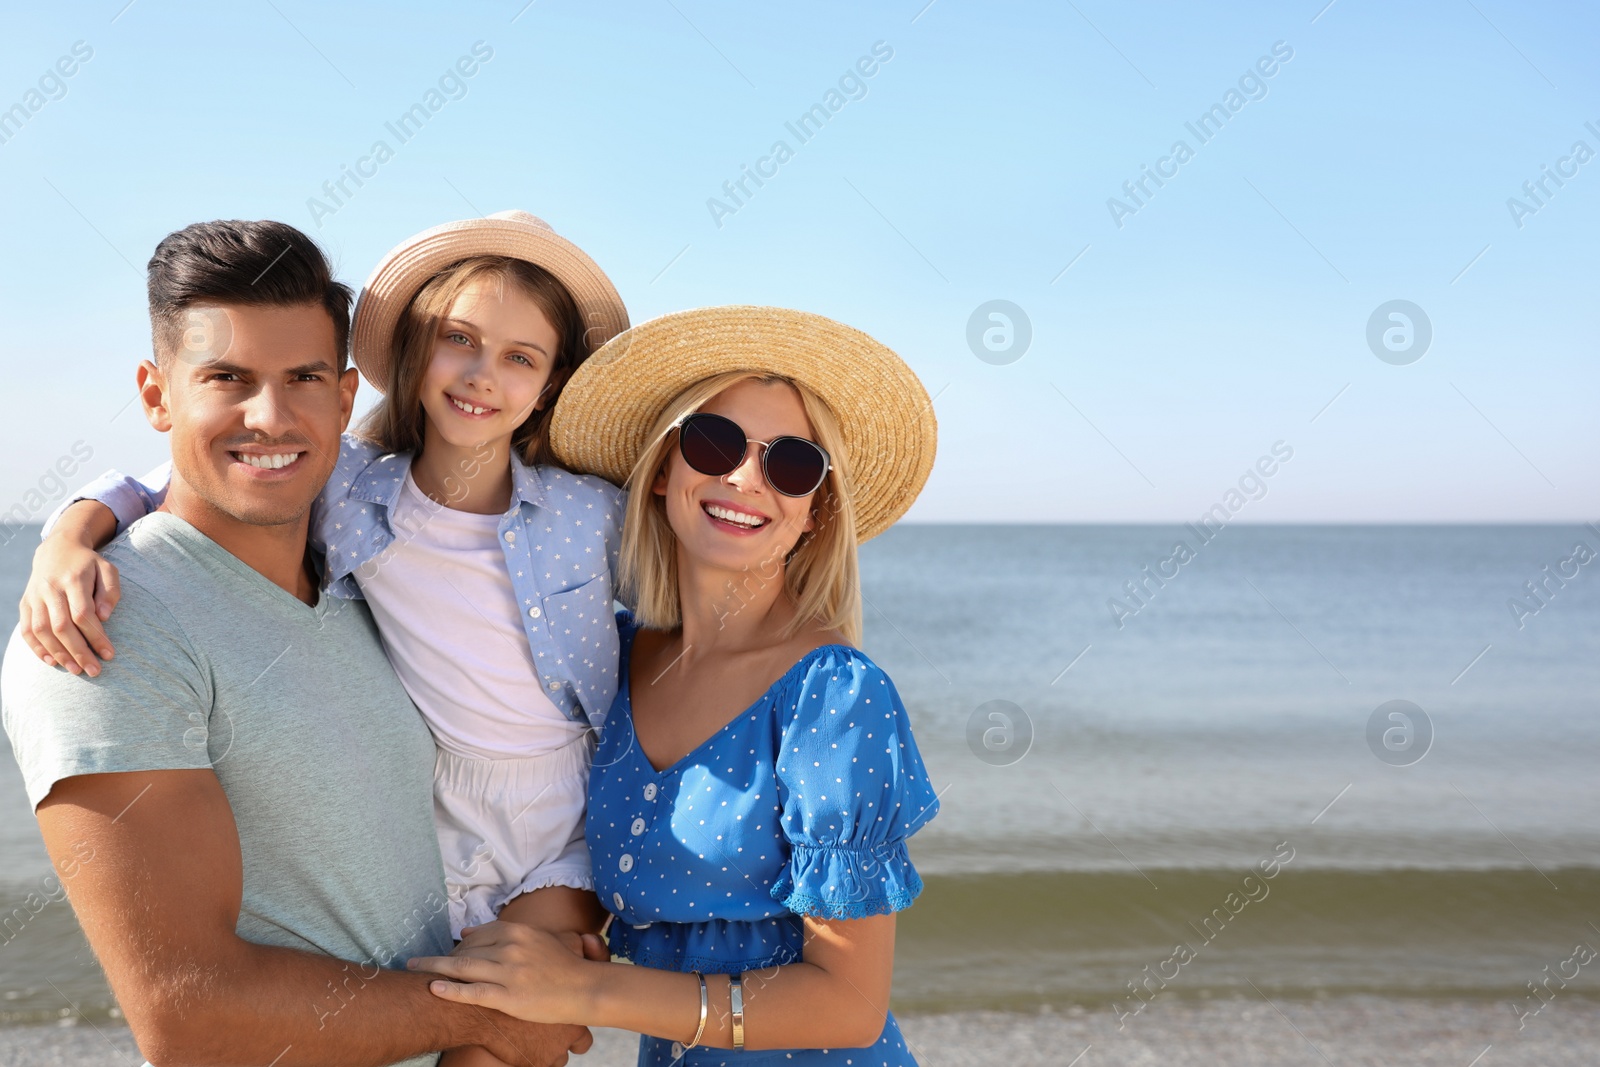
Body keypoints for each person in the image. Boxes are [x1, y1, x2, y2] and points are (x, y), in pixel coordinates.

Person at [17, 211, 632, 1067]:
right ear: (157, 393)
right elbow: (185, 1016)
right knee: (499, 1009)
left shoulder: (384, 553)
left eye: (304, 376)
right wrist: (67, 536)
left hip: (549, 827)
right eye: (227, 376)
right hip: (456, 891)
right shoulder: (130, 609)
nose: (271, 416)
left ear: (344, 396)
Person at [409, 306, 943, 1065]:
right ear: (662, 470)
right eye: (713, 442)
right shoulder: (611, 659)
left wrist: (581, 992)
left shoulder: (833, 694)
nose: (745, 478)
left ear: (815, 510)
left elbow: (848, 1004)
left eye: (790, 463)